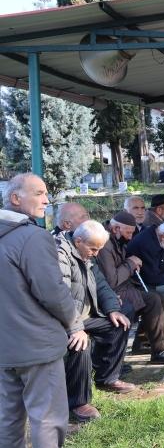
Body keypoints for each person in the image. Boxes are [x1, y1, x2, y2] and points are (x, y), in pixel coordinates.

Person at [0, 173, 77, 447]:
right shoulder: (32, 238)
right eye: (39, 193)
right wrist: (74, 323)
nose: (46, 199)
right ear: (15, 198)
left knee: (7, 419)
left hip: (4, 349)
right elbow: (53, 292)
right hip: (37, 346)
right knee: (47, 418)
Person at [56, 220, 136, 422]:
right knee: (80, 344)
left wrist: (112, 309)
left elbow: (100, 284)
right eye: (93, 248)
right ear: (78, 240)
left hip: (83, 316)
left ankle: (107, 378)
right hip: (63, 320)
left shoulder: (86, 254)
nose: (96, 253)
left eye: (99, 249)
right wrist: (75, 327)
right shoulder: (60, 254)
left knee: (119, 324)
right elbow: (60, 296)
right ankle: (77, 403)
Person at [95, 211, 164, 365]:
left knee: (156, 298)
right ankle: (159, 351)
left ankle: (143, 343)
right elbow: (112, 280)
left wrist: (129, 263)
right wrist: (130, 263)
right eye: (128, 232)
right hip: (113, 292)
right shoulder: (106, 245)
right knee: (153, 299)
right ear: (115, 229)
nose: (130, 237)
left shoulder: (116, 240)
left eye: (132, 232)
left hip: (125, 286)